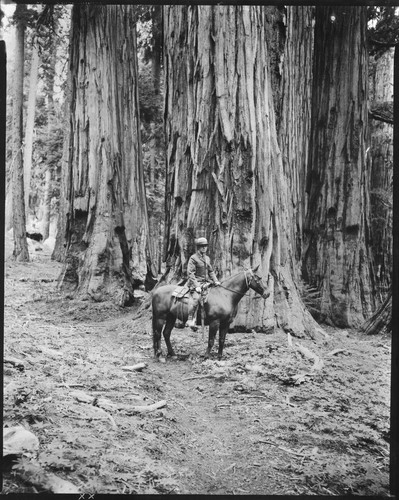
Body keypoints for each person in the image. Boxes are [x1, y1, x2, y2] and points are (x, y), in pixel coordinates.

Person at [185, 237, 221, 330]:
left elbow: (211, 271)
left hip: (206, 283)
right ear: (198, 247)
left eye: (205, 246)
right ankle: (190, 320)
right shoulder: (193, 258)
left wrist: (216, 280)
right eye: (202, 246)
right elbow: (190, 273)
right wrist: (196, 286)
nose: (204, 248)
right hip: (195, 282)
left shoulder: (207, 258)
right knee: (196, 298)